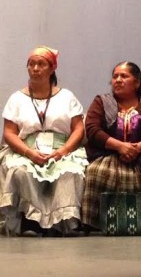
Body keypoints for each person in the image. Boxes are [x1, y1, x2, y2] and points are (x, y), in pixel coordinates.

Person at [0, 46, 88, 237]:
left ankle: (65, 224)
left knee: (70, 172)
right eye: (31, 64)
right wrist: (29, 153)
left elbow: (78, 129)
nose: (35, 68)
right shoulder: (16, 98)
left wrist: (63, 151)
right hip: (26, 149)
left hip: (61, 149)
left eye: (41, 64)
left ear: (52, 69)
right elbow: (9, 133)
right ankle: (31, 223)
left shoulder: (67, 97)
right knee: (21, 172)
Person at [81, 61, 141, 230]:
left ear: (137, 82)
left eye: (124, 76)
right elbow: (93, 130)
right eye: (115, 76)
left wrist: (136, 148)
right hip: (109, 155)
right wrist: (119, 147)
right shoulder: (101, 101)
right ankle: (92, 225)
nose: (118, 80)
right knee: (95, 173)